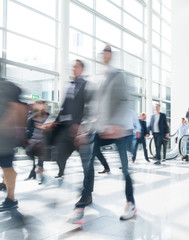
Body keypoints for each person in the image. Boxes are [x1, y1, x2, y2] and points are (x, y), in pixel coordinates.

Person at [72, 46, 137, 222]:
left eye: (108, 52)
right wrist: (87, 130)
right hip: (101, 129)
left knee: (124, 168)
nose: (104, 55)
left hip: (120, 130)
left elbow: (124, 100)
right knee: (89, 163)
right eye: (103, 52)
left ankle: (130, 203)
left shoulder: (118, 76)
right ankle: (82, 203)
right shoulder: (98, 79)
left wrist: (116, 125)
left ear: (111, 55)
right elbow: (96, 109)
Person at [51, 60, 93, 178]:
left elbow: (89, 107)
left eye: (76, 66)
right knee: (59, 155)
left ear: (82, 69)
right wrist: (54, 121)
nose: (73, 68)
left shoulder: (87, 85)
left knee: (86, 161)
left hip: (79, 129)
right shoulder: (69, 85)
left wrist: (83, 125)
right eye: (73, 66)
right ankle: (61, 171)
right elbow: (64, 107)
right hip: (66, 128)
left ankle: (87, 189)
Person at [0, 80, 27, 212]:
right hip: (5, 137)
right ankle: (6, 187)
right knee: (6, 167)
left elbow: (19, 109)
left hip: (4, 138)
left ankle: (11, 199)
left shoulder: (8, 90)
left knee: (7, 168)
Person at [24, 100, 49, 182]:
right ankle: (34, 172)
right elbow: (28, 126)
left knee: (40, 161)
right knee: (30, 155)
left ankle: (40, 177)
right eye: (40, 105)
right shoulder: (32, 115)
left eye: (43, 105)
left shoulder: (47, 116)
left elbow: (49, 128)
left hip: (42, 142)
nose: (43, 106)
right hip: (33, 140)